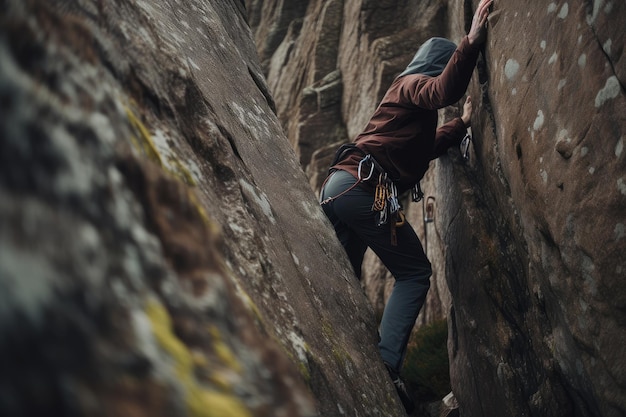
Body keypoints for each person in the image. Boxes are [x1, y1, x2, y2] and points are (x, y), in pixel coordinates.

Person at [319, 0, 494, 412]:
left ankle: (347, 363)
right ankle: (385, 364)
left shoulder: (408, 114)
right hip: (364, 188)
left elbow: (423, 150)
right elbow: (442, 90)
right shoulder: (411, 85)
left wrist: (462, 125)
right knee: (415, 272)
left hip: (341, 188)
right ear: (436, 63)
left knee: (343, 283)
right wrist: (469, 43)